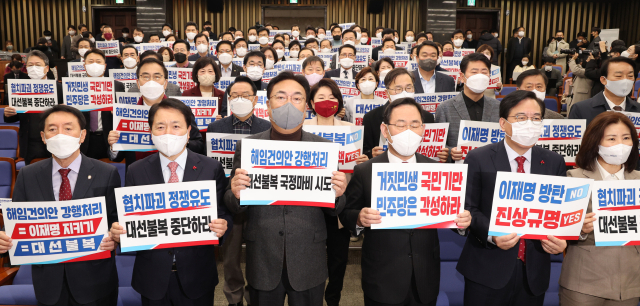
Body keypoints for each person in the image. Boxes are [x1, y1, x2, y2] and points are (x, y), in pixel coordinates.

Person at [224, 71, 348, 306]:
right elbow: (232, 202)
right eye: (281, 97)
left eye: (297, 98)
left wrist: (338, 194)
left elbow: (336, 208)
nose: (288, 104)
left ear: (306, 106)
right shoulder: (249, 146)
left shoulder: (324, 148)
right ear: (268, 105)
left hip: (308, 259)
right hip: (262, 257)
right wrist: (236, 192)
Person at [341, 97, 471, 306]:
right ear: (385, 130)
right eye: (400, 125)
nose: (409, 131)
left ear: (423, 129)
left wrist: (464, 222)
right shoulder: (365, 170)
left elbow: (454, 216)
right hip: (382, 277)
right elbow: (347, 213)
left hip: (425, 277)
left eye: (415, 125)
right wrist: (359, 218)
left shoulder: (437, 170)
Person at [109, 98, 230, 305]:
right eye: (160, 126)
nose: (168, 133)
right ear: (150, 131)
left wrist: (223, 224)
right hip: (152, 276)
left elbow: (223, 212)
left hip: (197, 275)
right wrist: (119, 232)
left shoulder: (211, 168)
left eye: (176, 126)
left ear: (188, 130)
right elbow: (127, 219)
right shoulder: (136, 170)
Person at [0, 104, 120, 305]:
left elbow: (115, 219)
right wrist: (4, 237)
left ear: (82, 135)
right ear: (43, 136)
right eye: (52, 129)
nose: (60, 135)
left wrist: (115, 236)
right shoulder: (28, 175)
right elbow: (17, 222)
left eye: (68, 128)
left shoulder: (106, 172)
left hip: (95, 281)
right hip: (48, 283)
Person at [457, 90, 568, 306]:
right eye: (521, 118)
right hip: (487, 269)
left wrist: (561, 239)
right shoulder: (478, 158)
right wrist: (493, 235)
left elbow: (560, 212)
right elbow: (469, 207)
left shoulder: (554, 161)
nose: (530, 123)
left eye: (536, 118)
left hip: (534, 272)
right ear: (502, 123)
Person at [557, 112, 635, 305]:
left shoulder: (638, 180)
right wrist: (579, 229)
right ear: (595, 142)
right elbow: (559, 230)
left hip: (631, 281)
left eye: (626, 138)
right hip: (584, 281)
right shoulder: (574, 178)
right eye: (612, 139)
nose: (621, 144)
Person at [303, 79, 368, 306]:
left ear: (339, 102)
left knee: (338, 258)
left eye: (331, 98)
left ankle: (333, 298)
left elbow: (357, 174)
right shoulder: (301, 130)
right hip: (309, 204)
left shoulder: (351, 131)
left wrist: (362, 162)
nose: (326, 102)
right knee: (309, 256)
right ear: (311, 102)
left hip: (338, 204)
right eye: (320, 98)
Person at [107, 58, 205, 166]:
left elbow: (199, 145)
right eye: (145, 77)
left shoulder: (182, 110)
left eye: (157, 77)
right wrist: (114, 146)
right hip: (139, 177)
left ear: (165, 83)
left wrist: (181, 141)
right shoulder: (126, 114)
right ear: (138, 83)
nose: (151, 82)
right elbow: (117, 157)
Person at [435, 53, 501, 162]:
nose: (479, 76)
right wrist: (451, 152)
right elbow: (439, 145)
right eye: (474, 72)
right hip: (459, 171)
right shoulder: (444, 108)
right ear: (462, 77)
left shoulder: (499, 107)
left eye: (484, 72)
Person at [3, 50, 64, 164]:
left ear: (46, 68)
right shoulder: (18, 88)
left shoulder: (59, 88)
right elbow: (12, 117)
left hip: (55, 140)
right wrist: (8, 114)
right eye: (30, 65)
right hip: (30, 142)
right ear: (26, 68)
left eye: (38, 65)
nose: (34, 68)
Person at [362, 68, 435, 159]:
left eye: (408, 88)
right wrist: (370, 154)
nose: (404, 92)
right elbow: (363, 151)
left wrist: (441, 155)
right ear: (387, 93)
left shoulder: (428, 117)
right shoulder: (371, 118)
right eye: (398, 89)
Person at [80, 49, 126, 160]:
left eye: (98, 61)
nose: (94, 64)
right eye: (90, 61)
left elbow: (123, 116)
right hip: (83, 139)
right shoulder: (75, 87)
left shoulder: (117, 86)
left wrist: (117, 112)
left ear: (105, 66)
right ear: (84, 66)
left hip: (107, 138)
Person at [569, 57, 640, 125]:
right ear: (603, 80)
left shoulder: (638, 109)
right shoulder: (581, 109)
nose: (625, 80)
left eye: (630, 76)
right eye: (618, 76)